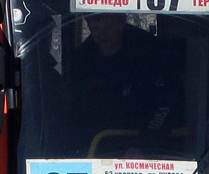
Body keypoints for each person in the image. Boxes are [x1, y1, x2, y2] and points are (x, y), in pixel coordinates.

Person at [68, 13, 176, 154]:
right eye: (95, 28)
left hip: (150, 147)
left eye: (108, 27)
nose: (103, 34)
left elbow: (167, 103)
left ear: (121, 21)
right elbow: (74, 108)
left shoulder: (149, 52)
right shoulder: (82, 59)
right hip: (94, 146)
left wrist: (143, 144)